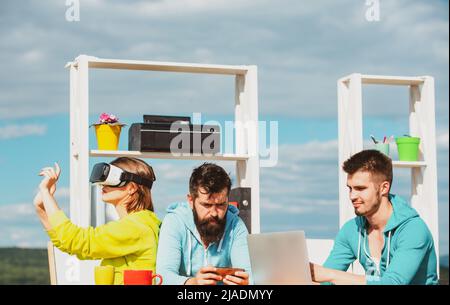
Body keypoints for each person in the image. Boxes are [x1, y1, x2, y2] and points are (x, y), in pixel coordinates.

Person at [310, 150, 438, 285]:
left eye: (360, 188)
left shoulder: (413, 229)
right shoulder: (351, 230)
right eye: (350, 188)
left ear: (384, 188)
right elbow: (325, 280)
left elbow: (393, 283)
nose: (352, 196)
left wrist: (329, 275)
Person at [33, 157, 161, 285]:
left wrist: (46, 192)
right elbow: (69, 244)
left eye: (111, 178)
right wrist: (41, 208)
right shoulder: (140, 224)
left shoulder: (135, 227)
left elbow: (75, 240)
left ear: (131, 188)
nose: (102, 184)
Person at [156, 163, 252, 285]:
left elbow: (249, 275)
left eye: (221, 205)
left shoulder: (236, 225)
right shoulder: (174, 222)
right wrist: (194, 283)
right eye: (207, 205)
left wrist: (245, 284)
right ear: (191, 201)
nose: (214, 213)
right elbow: (162, 277)